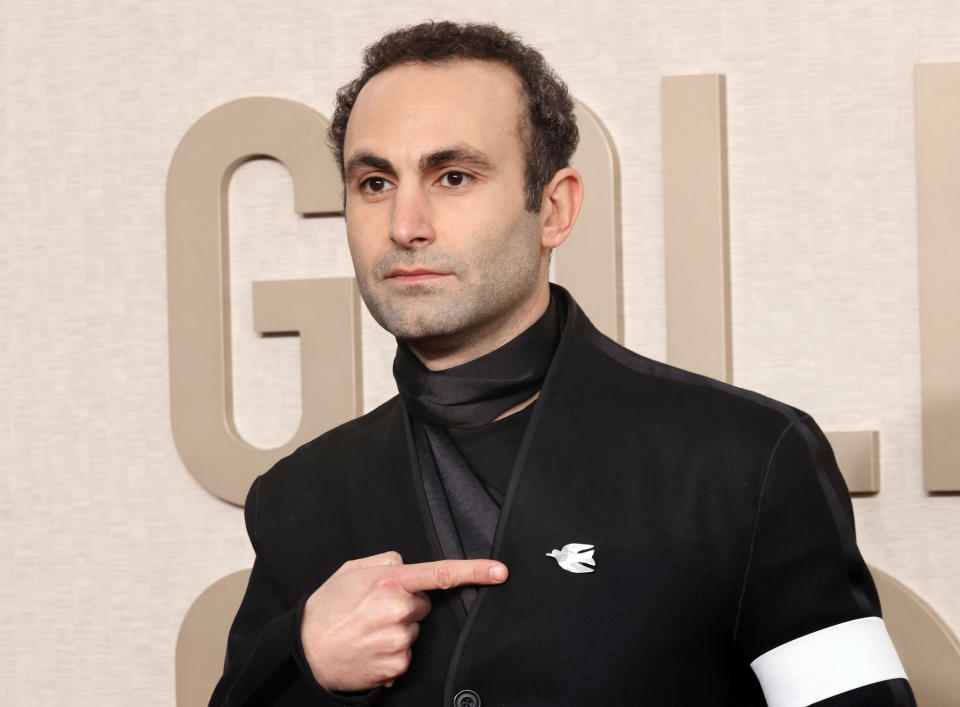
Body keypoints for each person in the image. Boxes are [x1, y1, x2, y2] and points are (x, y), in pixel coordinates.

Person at [210, 21, 915, 706]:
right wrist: (306, 656)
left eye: (453, 176)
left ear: (554, 208)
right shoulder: (298, 497)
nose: (404, 224)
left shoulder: (749, 458)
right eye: (374, 183)